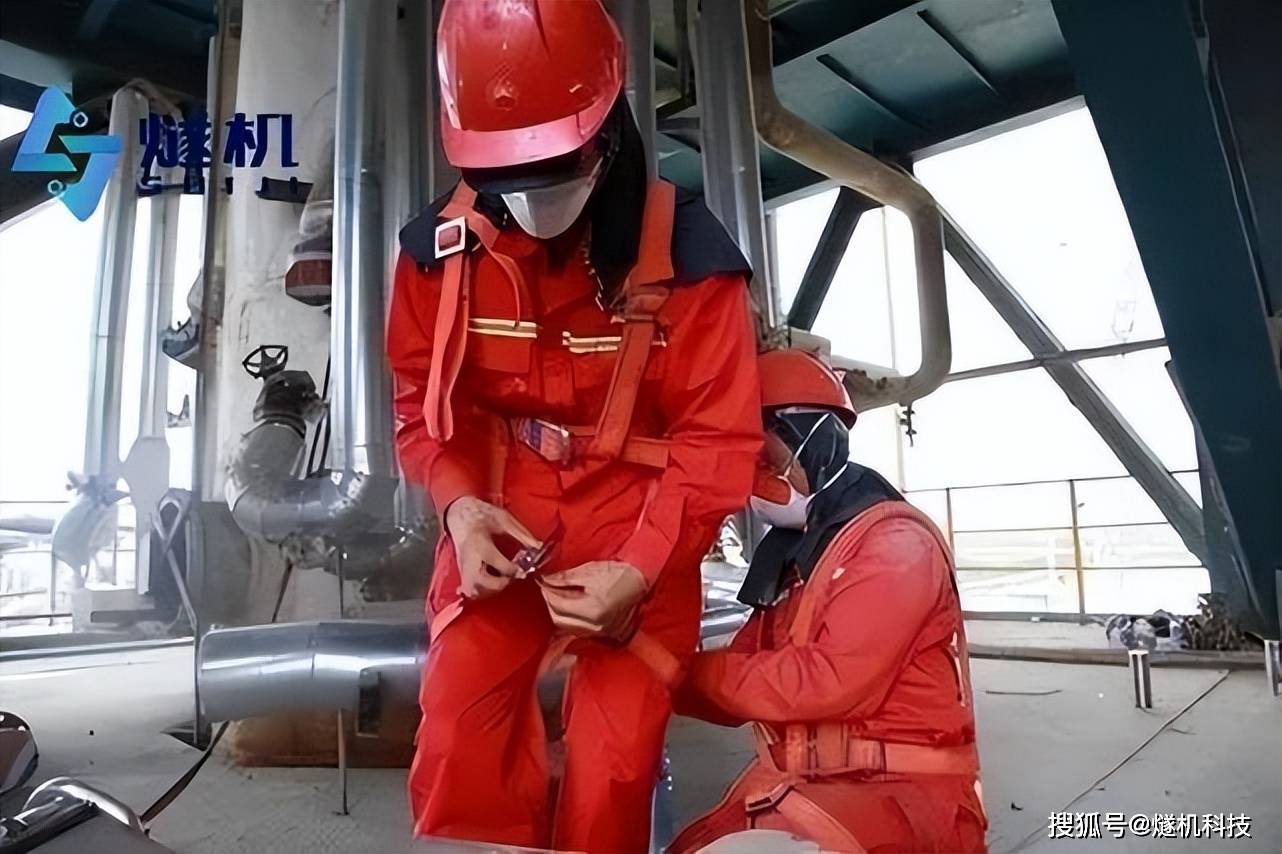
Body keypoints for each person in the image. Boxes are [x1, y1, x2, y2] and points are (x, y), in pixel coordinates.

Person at [386, 1, 762, 850]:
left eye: (553, 166)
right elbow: (421, 405)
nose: (530, 194)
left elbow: (718, 443)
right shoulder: (436, 257)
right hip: (500, 524)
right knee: (457, 746)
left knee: (612, 774)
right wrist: (457, 506)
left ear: (607, 129)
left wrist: (641, 567)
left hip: (641, 525)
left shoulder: (692, 261)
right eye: (504, 176)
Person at [669, 349, 988, 853]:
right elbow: (745, 670)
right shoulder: (796, 551)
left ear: (814, 442)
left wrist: (670, 672)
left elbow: (824, 681)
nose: (754, 485)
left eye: (766, 461)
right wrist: (646, 666)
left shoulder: (894, 547)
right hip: (818, 782)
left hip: (903, 795)